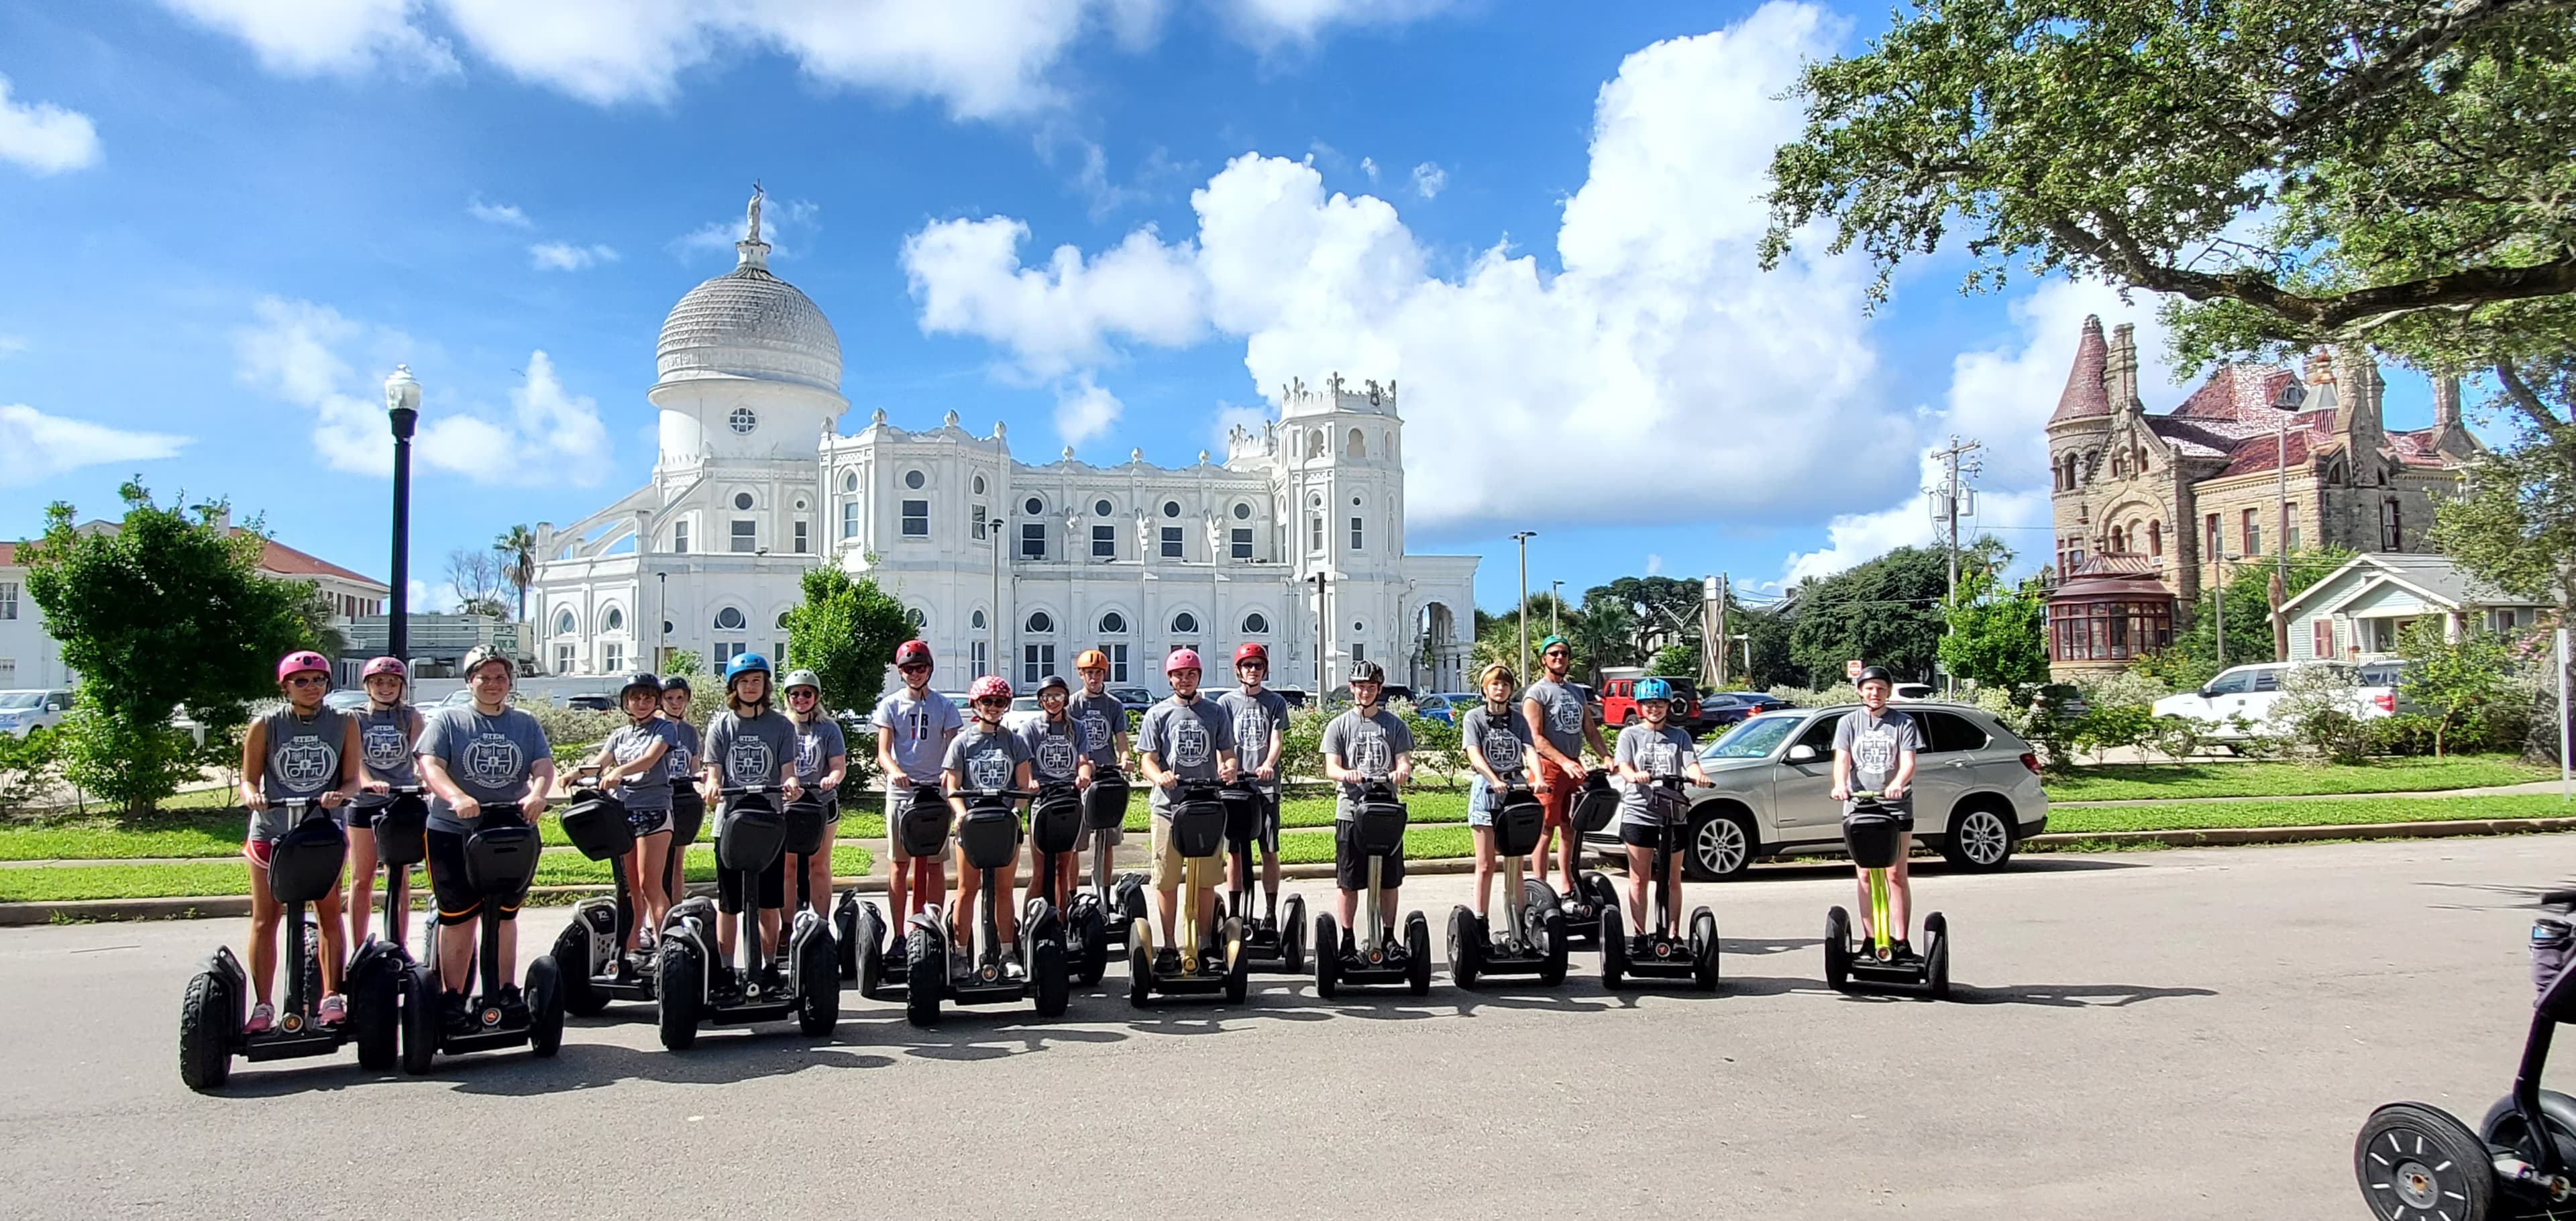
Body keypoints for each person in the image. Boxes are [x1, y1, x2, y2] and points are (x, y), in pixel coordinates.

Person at [415, 647, 555, 1033]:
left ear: (510, 682)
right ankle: (453, 997)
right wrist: (456, 796)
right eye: (484, 677)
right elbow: (430, 765)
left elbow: (542, 764)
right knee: (459, 916)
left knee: (504, 913)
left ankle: (506, 990)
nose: (493, 684)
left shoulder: (525, 723)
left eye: (500, 678)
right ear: (469, 681)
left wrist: (538, 792)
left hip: (509, 829)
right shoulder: (448, 720)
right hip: (453, 830)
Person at [237, 651, 364, 1034]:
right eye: (301, 681)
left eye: (318, 680)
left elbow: (352, 779)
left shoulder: (343, 723)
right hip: (272, 833)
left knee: (328, 913)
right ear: (285, 687)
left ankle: (331, 995)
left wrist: (340, 795)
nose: (311, 687)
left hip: (320, 832)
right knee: (265, 918)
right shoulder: (266, 724)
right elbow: (248, 780)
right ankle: (262, 1005)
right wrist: (254, 797)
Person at [700, 653, 802, 994]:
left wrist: (790, 784)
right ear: (734, 687)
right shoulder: (721, 726)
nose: (750, 686)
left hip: (769, 825)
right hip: (729, 826)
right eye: (744, 681)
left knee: (768, 903)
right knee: (729, 905)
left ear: (765, 685)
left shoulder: (781, 726)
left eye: (756, 681)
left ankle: (770, 967)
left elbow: (788, 770)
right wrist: (712, 786)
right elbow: (713, 771)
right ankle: (728, 970)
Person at [1134, 649, 1237, 963]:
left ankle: (1205, 944)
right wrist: (1160, 775)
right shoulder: (1158, 714)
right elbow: (1146, 761)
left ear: (1199, 677)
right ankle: (1167, 945)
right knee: (1167, 881)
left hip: (1205, 806)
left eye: (1191, 674)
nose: (1185, 679)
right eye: (1179, 675)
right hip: (1168, 808)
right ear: (1170, 678)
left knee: (1206, 880)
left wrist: (1229, 768)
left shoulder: (1215, 712)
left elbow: (1228, 752)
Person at [577, 671, 674, 965]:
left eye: (647, 698)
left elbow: (649, 760)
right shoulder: (620, 735)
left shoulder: (665, 729)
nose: (641, 703)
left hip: (654, 810)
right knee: (628, 886)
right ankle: (631, 951)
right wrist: (576, 773)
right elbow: (598, 764)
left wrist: (619, 772)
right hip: (622, 813)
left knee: (650, 885)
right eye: (635, 698)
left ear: (656, 701)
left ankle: (667, 950)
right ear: (626, 703)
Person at [1829, 666, 1923, 955]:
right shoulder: (1848, 723)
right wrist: (1839, 785)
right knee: (1866, 874)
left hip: (1895, 806)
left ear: (1888, 691)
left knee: (1896, 873)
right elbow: (1842, 760)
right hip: (1860, 805)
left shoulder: (1903, 723)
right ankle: (1870, 940)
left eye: (1881, 688)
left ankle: (1901, 940)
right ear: (1860, 691)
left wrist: (1897, 783)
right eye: (1869, 688)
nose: (1875, 693)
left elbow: (1908, 762)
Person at [1321, 660, 1414, 951]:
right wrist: (1346, 773)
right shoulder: (1339, 726)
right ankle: (1347, 940)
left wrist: (1401, 772)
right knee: (1348, 880)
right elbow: (1331, 768)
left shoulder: (1395, 725)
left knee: (1390, 880)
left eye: (1370, 687)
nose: (1365, 691)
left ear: (1379, 689)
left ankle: (1388, 938)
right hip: (1351, 810)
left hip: (1386, 811)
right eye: (1360, 686)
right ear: (1352, 688)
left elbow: (1404, 762)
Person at [1611, 678, 1711, 947]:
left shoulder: (1680, 736)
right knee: (1639, 877)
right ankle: (1641, 934)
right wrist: (1635, 776)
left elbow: (1691, 765)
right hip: (1640, 812)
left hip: (1673, 813)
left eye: (1659, 704)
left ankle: (1673, 934)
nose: (1654, 708)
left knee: (1671, 878)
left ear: (1668, 706)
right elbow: (1623, 766)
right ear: (1640, 707)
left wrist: (1699, 776)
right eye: (1649, 704)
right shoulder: (1630, 735)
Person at [873, 640, 961, 926]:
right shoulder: (890, 705)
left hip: (934, 792)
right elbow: (883, 752)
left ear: (930, 669)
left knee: (935, 864)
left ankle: (931, 926)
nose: (915, 674)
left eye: (920, 668)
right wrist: (895, 772)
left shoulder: (944, 706)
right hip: (902, 792)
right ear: (900, 672)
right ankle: (899, 934)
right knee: (899, 865)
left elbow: (953, 749)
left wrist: (948, 775)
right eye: (908, 669)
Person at [944, 674, 1034, 954]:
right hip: (972, 825)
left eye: (999, 702)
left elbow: (1023, 786)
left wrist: (1018, 813)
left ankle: (1007, 952)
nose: (993, 707)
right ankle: (960, 954)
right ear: (976, 704)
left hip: (1004, 825)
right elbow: (952, 786)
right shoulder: (962, 743)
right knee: (967, 888)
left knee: (1004, 890)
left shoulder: (1015, 742)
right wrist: (960, 813)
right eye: (987, 701)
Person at [345, 655, 423, 951]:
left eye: (392, 682)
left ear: (401, 686)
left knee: (399, 876)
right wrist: (365, 780)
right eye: (379, 682)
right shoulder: (355, 718)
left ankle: (399, 944)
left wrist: (421, 776)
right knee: (361, 879)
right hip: (365, 803)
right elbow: (354, 760)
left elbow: (420, 755)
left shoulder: (409, 717)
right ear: (368, 686)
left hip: (401, 801)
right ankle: (359, 946)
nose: (386, 687)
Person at [1521, 636, 1607, 898]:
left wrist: (1606, 756)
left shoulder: (1576, 692)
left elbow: (1590, 730)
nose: (1560, 658)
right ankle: (1540, 887)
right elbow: (1535, 738)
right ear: (1544, 659)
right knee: (1546, 828)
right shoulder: (1536, 693)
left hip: (1573, 767)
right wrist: (1563, 762)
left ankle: (1568, 885)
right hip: (1548, 768)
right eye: (1554, 654)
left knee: (1571, 827)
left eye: (1564, 654)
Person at [1215, 642, 1290, 925]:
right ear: (1238, 670)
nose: (1253, 671)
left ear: (1265, 670)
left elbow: (1276, 740)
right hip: (1235, 787)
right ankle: (1235, 912)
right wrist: (1223, 768)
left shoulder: (1275, 703)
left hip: (1265, 786)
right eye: (1248, 666)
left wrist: (1268, 764)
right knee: (1234, 850)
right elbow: (1221, 743)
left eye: (1258, 666)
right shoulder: (1225, 704)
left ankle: (1270, 912)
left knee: (1269, 848)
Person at [1459, 662, 1534, 922]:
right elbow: (1474, 754)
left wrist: (1538, 777)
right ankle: (1481, 922)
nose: (1500, 689)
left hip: (1516, 790)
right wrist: (1492, 778)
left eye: (1505, 684)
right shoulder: (1475, 718)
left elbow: (1529, 750)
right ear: (1485, 688)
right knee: (1486, 864)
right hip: (1486, 791)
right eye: (1495, 684)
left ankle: (1520, 922)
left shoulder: (1518, 719)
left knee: (1515, 865)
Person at [1018, 673, 1093, 911]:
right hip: (1041, 802)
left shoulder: (1077, 728)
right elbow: (1024, 764)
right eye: (1048, 697)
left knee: (1063, 867)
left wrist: (1084, 774)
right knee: (1040, 870)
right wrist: (1029, 781)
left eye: (1058, 696)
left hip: (1068, 801)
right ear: (1041, 700)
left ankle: (1061, 922)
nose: (1053, 701)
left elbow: (1083, 759)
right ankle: (1030, 923)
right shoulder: (1030, 728)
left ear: (1066, 699)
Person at [782, 668, 848, 922]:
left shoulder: (828, 729)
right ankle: (787, 927)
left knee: (818, 866)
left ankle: (821, 924)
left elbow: (838, 766)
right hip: (789, 806)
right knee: (788, 868)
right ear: (787, 698)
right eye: (795, 694)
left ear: (816, 697)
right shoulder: (781, 727)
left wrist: (833, 778)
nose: (801, 699)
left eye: (806, 693)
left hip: (821, 804)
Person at [1066, 648, 1130, 878]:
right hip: (1082, 779)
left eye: (1099, 673)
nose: (1094, 678)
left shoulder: (1114, 705)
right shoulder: (1072, 705)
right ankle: (1071, 894)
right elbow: (1067, 741)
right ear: (1081, 675)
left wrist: (1125, 759)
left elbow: (1121, 739)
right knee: (1075, 843)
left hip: (1107, 775)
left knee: (1108, 841)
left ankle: (1104, 889)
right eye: (1089, 673)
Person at [658, 676, 702, 904]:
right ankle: (653, 917)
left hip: (683, 797)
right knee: (658, 863)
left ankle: (675, 910)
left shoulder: (689, 732)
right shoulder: (656, 728)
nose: (675, 703)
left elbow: (693, 766)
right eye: (670, 698)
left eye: (680, 698)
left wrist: (700, 779)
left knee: (677, 859)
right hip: (659, 797)